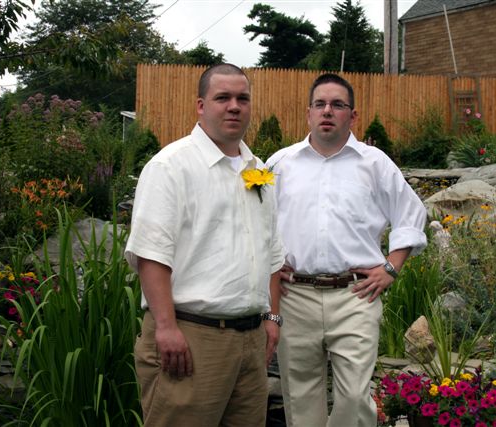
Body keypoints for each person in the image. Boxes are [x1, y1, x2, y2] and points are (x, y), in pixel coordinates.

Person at [125, 63, 285, 427]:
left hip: (251, 341)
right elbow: (151, 254)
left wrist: (272, 318)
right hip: (192, 337)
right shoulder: (171, 166)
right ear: (201, 106)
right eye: (222, 98)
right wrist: (166, 327)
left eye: (243, 98)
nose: (234, 106)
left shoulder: (257, 170)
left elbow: (272, 250)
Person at [266, 73, 428, 427]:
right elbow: (257, 222)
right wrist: (270, 270)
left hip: (355, 296)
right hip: (295, 296)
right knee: (300, 398)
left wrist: (391, 268)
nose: (328, 111)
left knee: (355, 398)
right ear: (308, 113)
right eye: (320, 104)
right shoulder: (280, 164)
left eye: (337, 105)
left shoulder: (374, 163)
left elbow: (411, 213)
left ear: (352, 116)